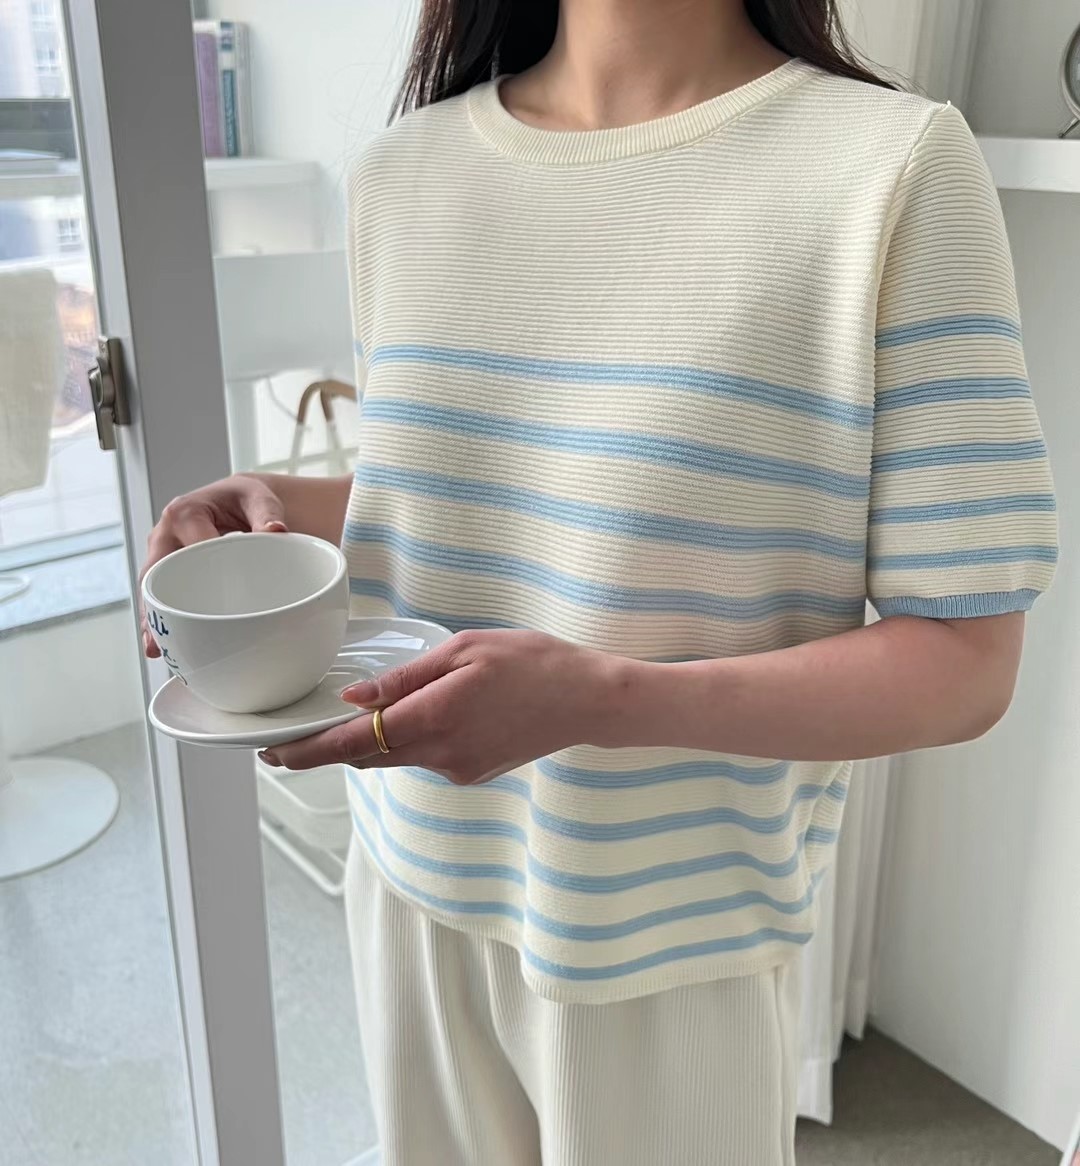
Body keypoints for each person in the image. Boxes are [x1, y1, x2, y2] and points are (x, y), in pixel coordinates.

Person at [142, 1, 1058, 1162]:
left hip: (667, 945)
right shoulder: (399, 175)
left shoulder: (892, 168)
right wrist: (272, 504)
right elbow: (465, 487)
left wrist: (604, 700)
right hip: (409, 880)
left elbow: (966, 663)